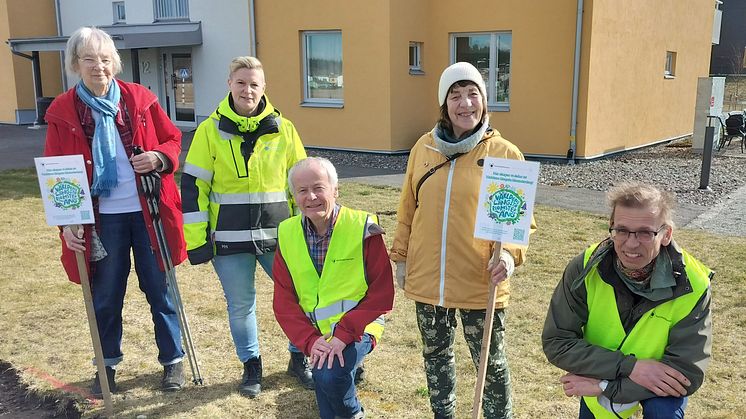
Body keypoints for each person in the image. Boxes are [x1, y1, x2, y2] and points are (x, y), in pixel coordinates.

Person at [44, 26, 187, 396]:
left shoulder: (140, 99)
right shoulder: (63, 110)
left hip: (148, 212)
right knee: (105, 294)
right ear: (76, 64)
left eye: (105, 59)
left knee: (160, 290)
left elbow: (172, 139)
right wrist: (68, 223)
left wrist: (157, 157)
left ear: (115, 63)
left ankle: (173, 362)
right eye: (89, 59)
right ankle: (106, 367)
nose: (99, 67)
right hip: (100, 218)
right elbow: (56, 168)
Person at [390, 62, 536, 419]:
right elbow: (408, 207)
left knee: (492, 363)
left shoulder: (505, 154)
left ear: (484, 102)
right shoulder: (423, 148)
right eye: (455, 95)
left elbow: (521, 221)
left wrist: (510, 258)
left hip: (480, 279)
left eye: (473, 94)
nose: (465, 103)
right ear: (445, 104)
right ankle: (444, 413)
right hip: (429, 277)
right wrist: (401, 258)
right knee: (436, 356)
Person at [181, 56, 308, 397]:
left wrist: (307, 232)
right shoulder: (209, 131)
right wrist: (196, 242)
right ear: (229, 85)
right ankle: (251, 366)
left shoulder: (285, 129)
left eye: (254, 84)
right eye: (241, 82)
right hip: (228, 241)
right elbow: (194, 189)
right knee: (241, 305)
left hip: (279, 237)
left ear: (263, 88)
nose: (247, 90)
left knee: (298, 298)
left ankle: (300, 357)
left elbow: (302, 183)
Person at [542, 182, 713, 419]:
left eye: (645, 232)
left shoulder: (693, 284)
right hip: (603, 376)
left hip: (652, 387)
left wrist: (605, 387)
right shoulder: (584, 268)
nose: (631, 244)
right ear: (610, 228)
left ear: (666, 235)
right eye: (621, 230)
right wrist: (630, 368)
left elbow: (686, 373)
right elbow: (557, 342)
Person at [273, 157, 394, 419]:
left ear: (335, 191)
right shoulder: (287, 233)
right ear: (294, 197)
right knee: (325, 383)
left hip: (361, 326)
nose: (311, 196)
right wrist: (310, 340)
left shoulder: (363, 228)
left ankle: (353, 414)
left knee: (329, 375)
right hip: (315, 333)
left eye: (319, 187)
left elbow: (382, 293)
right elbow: (283, 300)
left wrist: (343, 334)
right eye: (302, 191)